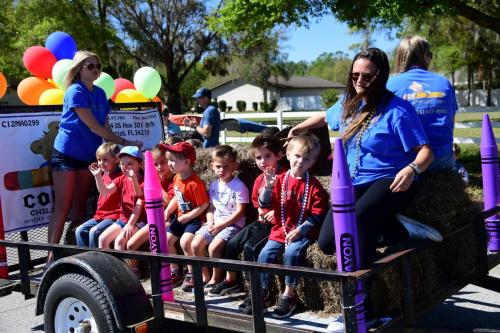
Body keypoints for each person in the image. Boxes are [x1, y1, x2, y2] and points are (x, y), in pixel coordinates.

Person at [47, 50, 142, 261]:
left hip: (89, 157)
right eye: (90, 66)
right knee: (62, 208)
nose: (95, 69)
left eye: (97, 65)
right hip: (66, 155)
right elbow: (94, 127)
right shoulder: (75, 91)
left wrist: (117, 147)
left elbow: (105, 126)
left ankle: (74, 254)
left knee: (80, 208)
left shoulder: (100, 93)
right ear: (79, 69)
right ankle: (50, 260)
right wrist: (125, 143)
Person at [239, 134, 328, 318]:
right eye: (297, 156)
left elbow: (318, 214)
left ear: (312, 162)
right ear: (287, 154)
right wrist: (269, 187)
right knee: (264, 253)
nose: (300, 161)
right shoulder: (279, 180)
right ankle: (263, 292)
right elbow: (264, 204)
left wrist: (301, 230)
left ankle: (289, 294)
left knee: (291, 253)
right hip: (280, 229)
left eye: (307, 159)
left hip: (302, 231)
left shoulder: (315, 187)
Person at [208, 135, 284, 297]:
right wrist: (260, 211)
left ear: (279, 155)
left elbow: (288, 203)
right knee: (232, 244)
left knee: (250, 248)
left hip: (278, 224)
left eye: (267, 156)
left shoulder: (285, 178)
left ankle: (257, 292)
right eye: (258, 158)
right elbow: (256, 202)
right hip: (262, 221)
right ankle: (232, 280)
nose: (262, 161)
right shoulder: (259, 179)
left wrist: (274, 213)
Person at [387, 36, 458, 171]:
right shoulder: (444, 83)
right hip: (443, 159)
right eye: (429, 55)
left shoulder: (390, 85)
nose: (430, 59)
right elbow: (450, 123)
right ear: (424, 56)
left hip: (406, 161)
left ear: (401, 56)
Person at [192, 145, 249, 291]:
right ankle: (204, 276)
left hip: (233, 224)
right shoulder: (213, 184)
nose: (221, 170)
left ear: (234, 166)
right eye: (218, 166)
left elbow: (240, 212)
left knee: (213, 247)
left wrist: (221, 225)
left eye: (226, 166)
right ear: (211, 166)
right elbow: (211, 208)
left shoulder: (239, 186)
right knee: (195, 245)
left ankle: (216, 278)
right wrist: (210, 221)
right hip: (215, 221)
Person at [161, 142, 209, 291]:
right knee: (166, 240)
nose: (170, 163)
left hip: (194, 219)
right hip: (181, 217)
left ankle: (192, 273)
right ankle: (175, 269)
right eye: (169, 159)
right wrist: (168, 211)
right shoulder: (177, 178)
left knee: (185, 242)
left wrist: (188, 217)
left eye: (173, 160)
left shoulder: (195, 183)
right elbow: (177, 197)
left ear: (187, 162)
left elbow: (204, 204)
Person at [125, 144, 175, 268]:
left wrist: (156, 182)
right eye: (155, 165)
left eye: (162, 163)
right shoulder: (155, 177)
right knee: (130, 245)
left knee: (160, 244)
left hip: (167, 219)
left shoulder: (174, 180)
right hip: (152, 220)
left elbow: (167, 201)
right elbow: (140, 195)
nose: (159, 167)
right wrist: (134, 180)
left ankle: (174, 270)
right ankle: (135, 272)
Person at [97, 146, 146, 254]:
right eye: (123, 164)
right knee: (102, 239)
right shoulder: (121, 179)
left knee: (119, 241)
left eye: (130, 164)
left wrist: (130, 224)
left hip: (138, 222)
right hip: (123, 220)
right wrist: (97, 177)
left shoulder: (144, 181)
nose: (125, 167)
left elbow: (140, 200)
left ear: (140, 164)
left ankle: (123, 270)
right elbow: (105, 192)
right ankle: (110, 268)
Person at [75, 143, 121, 247]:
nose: (101, 163)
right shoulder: (105, 174)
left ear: (116, 159)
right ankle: (85, 259)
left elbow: (105, 192)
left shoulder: (120, 176)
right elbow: (102, 192)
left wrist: (97, 177)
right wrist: (99, 176)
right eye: (99, 160)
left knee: (94, 232)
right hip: (101, 215)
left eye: (105, 160)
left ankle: (96, 261)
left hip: (114, 215)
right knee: (80, 230)